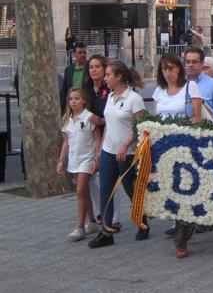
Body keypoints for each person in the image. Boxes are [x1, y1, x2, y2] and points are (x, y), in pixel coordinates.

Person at [88, 62, 147, 249]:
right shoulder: (110, 96)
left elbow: (142, 127)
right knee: (106, 189)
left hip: (126, 153)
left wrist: (125, 145)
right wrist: (100, 150)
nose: (105, 78)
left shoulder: (134, 98)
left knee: (130, 188)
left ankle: (142, 221)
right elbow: (110, 125)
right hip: (108, 151)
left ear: (119, 77)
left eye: (108, 74)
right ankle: (106, 232)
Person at [153, 53, 202, 258]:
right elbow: (155, 119)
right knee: (171, 190)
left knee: (183, 190)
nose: (168, 73)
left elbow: (197, 117)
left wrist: (176, 130)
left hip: (186, 146)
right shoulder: (158, 91)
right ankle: (187, 223)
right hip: (164, 148)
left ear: (179, 69)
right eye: (164, 69)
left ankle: (180, 240)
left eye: (171, 68)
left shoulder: (191, 88)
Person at [83, 54, 123, 232]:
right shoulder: (87, 88)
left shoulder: (110, 90)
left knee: (109, 177)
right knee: (90, 177)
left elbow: (113, 115)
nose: (94, 70)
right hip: (89, 137)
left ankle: (113, 217)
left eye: (97, 67)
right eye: (91, 67)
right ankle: (101, 212)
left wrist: (101, 121)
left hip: (108, 135)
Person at [57, 87, 101, 241]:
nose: (73, 102)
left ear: (83, 100)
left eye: (77, 98)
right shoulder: (68, 120)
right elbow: (66, 142)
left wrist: (97, 157)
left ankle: (80, 226)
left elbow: (97, 138)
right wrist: (62, 160)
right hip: (74, 159)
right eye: (71, 99)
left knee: (80, 190)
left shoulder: (89, 117)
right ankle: (93, 221)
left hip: (87, 159)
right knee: (84, 192)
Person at [184, 47, 213, 121]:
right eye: (188, 62)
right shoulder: (180, 84)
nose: (190, 65)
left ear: (202, 64)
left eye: (194, 62)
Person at [60, 42, 88, 112]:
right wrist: (63, 112)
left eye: (84, 52)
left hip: (87, 107)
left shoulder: (90, 69)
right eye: (80, 52)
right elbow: (65, 91)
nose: (83, 55)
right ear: (74, 54)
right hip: (72, 108)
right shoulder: (68, 70)